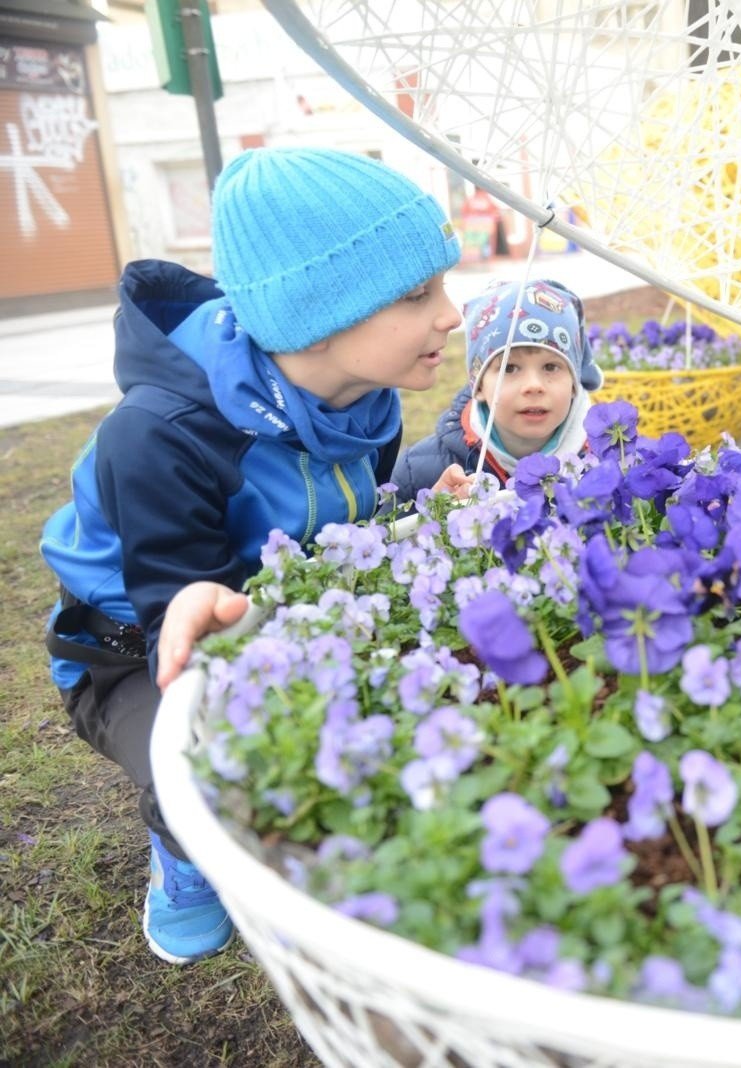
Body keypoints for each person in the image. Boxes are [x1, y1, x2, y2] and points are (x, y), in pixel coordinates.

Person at [39, 146, 463, 965]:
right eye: (418, 295)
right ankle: (181, 850)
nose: (450, 314)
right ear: (316, 313)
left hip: (275, 601)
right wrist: (222, 614)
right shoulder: (158, 437)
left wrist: (409, 513)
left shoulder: (364, 399)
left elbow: (350, 515)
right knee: (205, 761)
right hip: (131, 655)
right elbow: (181, 618)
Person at [388, 276, 603, 502]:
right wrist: (438, 516)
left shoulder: (609, 459)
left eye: (551, 366)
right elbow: (391, 534)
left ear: (573, 384)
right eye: (509, 368)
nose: (533, 386)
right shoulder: (421, 471)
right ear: (478, 385)